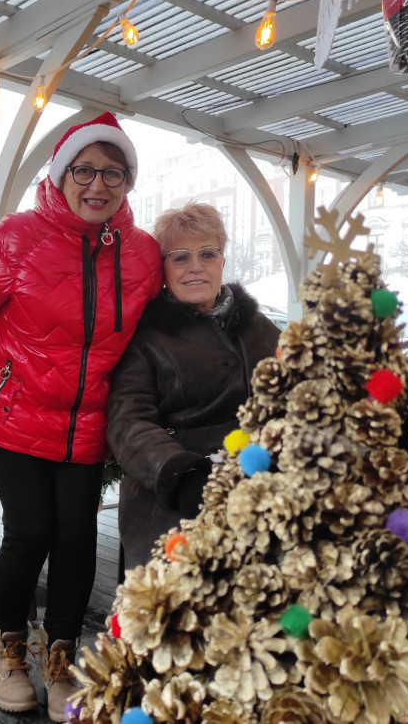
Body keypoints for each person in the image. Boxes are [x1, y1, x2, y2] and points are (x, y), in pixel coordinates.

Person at [0, 112, 162, 721]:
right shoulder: (18, 238)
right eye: (84, 169)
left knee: (77, 535)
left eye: (114, 173)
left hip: (87, 423)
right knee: (31, 530)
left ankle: (61, 654)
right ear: (61, 176)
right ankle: (7, 646)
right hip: (12, 410)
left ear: (127, 183)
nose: (98, 184)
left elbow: (171, 321)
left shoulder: (142, 255)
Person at [107, 202, 281, 571]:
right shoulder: (145, 337)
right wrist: (180, 473)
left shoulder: (260, 326)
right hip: (175, 488)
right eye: (180, 257)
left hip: (263, 476)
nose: (196, 266)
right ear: (164, 267)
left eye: (207, 253)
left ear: (222, 259)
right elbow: (128, 422)